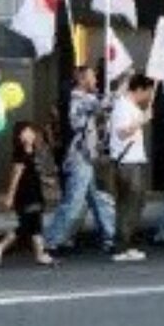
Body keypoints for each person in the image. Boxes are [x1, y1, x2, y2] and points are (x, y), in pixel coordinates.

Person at [45, 66, 117, 255]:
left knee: (100, 198)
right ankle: (52, 240)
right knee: (74, 201)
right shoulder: (78, 98)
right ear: (82, 80)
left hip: (89, 156)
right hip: (80, 157)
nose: (96, 81)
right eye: (93, 78)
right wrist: (123, 86)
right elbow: (106, 104)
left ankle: (110, 237)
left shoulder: (82, 98)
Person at [0, 123, 56, 267]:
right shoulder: (20, 153)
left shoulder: (33, 151)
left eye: (31, 131)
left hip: (35, 191)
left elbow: (33, 173)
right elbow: (16, 175)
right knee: (29, 225)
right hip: (26, 195)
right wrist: (10, 195)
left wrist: (46, 181)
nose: (30, 134)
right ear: (19, 136)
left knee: (33, 225)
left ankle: (39, 254)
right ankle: (2, 246)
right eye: (26, 132)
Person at [110, 73, 155, 262]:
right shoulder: (123, 106)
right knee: (129, 205)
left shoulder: (129, 105)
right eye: (148, 92)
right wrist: (142, 120)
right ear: (139, 90)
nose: (149, 96)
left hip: (133, 161)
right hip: (128, 163)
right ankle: (122, 246)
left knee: (132, 204)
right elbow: (122, 133)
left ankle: (128, 245)